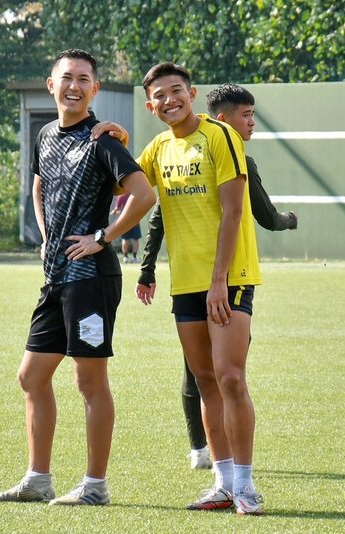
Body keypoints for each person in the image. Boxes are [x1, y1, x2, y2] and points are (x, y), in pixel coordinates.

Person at [0, 49, 154, 507]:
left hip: (91, 278)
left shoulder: (103, 140)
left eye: (83, 79)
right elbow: (39, 183)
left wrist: (103, 236)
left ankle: (95, 487)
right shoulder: (45, 135)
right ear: (51, 84)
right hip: (56, 276)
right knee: (31, 377)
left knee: (89, 382)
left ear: (94, 89)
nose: (74, 86)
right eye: (66, 78)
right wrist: (45, 236)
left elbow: (143, 195)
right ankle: (38, 480)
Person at [138, 84, 297, 471]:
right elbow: (264, 216)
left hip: (224, 280)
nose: (252, 123)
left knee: (221, 375)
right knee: (209, 375)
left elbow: (165, 218)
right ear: (223, 119)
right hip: (195, 280)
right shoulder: (172, 148)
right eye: (247, 115)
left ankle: (223, 466)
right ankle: (212, 458)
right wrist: (288, 221)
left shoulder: (223, 150)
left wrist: (149, 266)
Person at [137, 62, 264, 515]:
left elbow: (234, 212)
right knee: (205, 380)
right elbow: (124, 187)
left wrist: (218, 282)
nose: (169, 100)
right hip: (185, 283)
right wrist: (111, 138)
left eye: (177, 91)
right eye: (160, 96)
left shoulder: (220, 136)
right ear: (151, 107)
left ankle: (246, 486)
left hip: (229, 279)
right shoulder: (157, 148)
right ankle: (223, 484)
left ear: (191, 94)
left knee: (230, 377)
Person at [110, 193, 142, 263]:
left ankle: (125, 257)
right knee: (136, 239)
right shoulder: (134, 194)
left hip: (125, 221)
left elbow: (117, 208)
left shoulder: (121, 196)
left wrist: (114, 212)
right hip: (135, 220)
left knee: (125, 239)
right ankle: (135, 257)